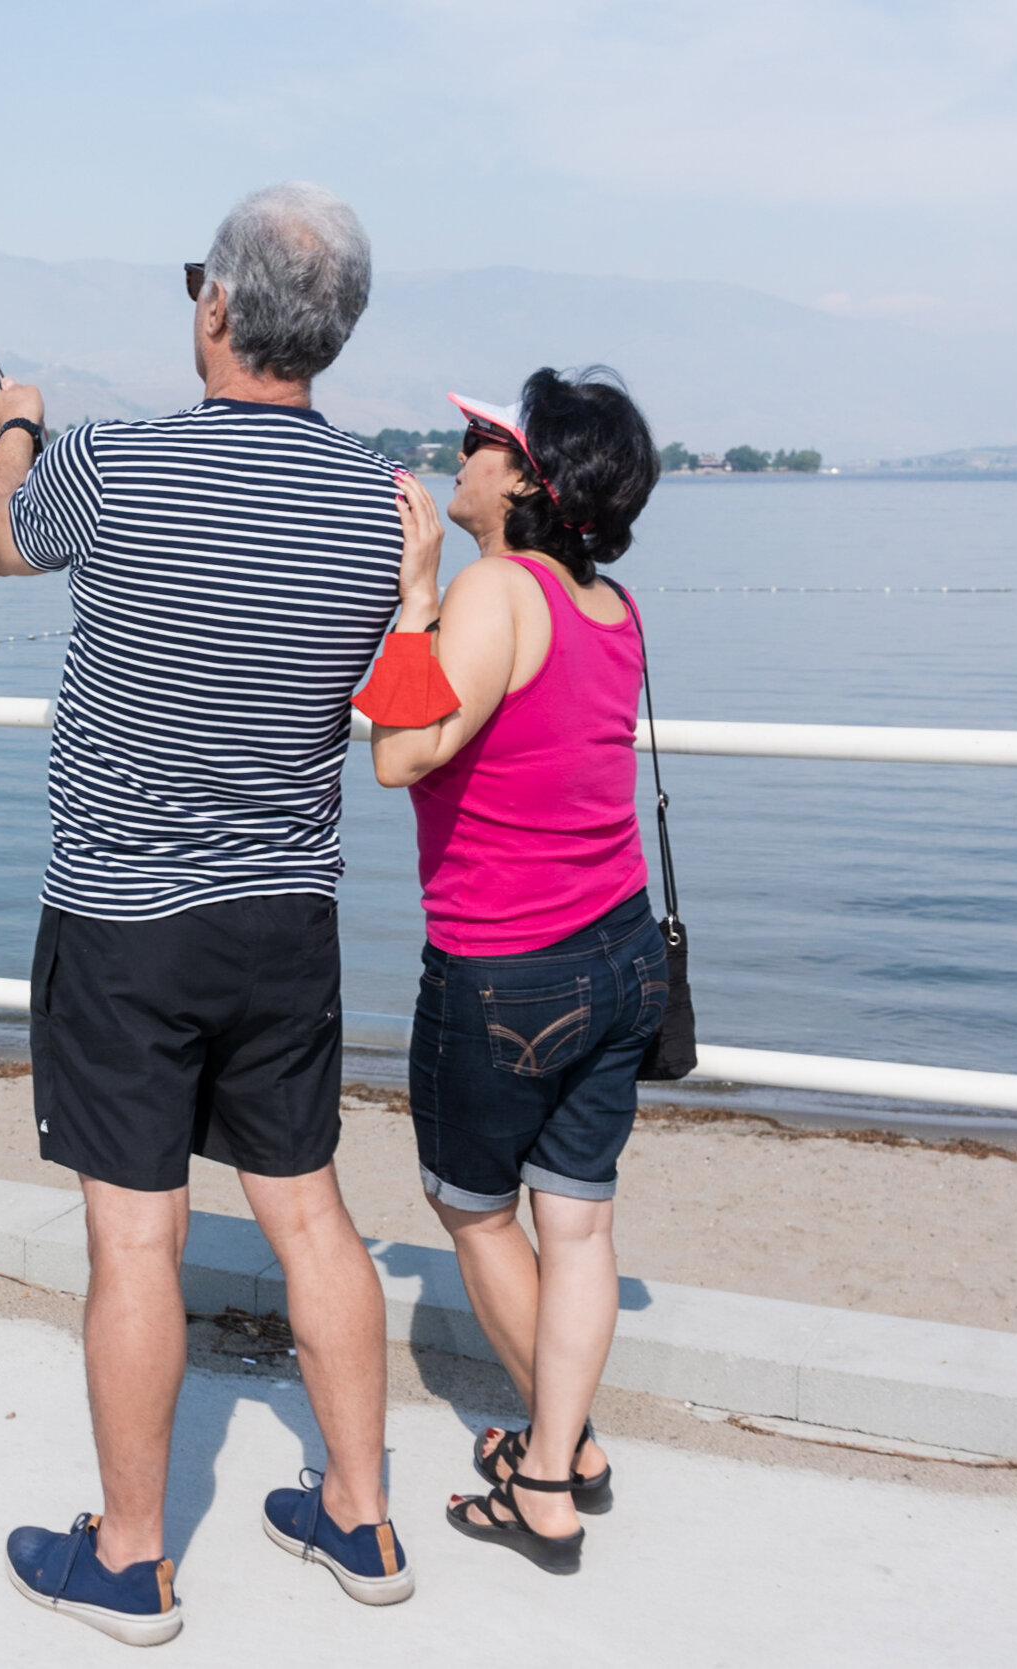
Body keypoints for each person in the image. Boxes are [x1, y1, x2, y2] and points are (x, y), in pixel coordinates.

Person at [0, 183, 413, 1645]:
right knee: (314, 1218)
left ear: (217, 308)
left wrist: (13, 430)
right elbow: (394, 714)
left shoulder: (111, 463)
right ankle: (360, 1513)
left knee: (138, 1244)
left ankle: (134, 1557)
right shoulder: (381, 506)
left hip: (123, 923)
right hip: (287, 918)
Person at [357, 367, 665, 1574]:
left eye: (481, 440)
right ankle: (569, 1451)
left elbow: (399, 755)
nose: (459, 453)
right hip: (619, 948)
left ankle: (544, 1474)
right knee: (578, 1225)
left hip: (506, 967)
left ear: (527, 480)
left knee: (472, 1208)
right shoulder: (613, 607)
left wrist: (415, 597)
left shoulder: (497, 591)